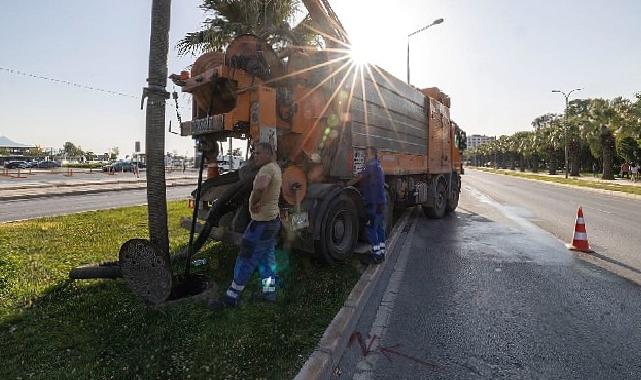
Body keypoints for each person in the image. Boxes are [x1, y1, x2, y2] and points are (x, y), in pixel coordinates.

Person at [216, 142, 282, 308]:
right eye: (253, 152)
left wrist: (253, 204)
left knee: (246, 258)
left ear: (268, 154)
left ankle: (231, 297)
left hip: (261, 225)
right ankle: (270, 293)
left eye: (258, 153)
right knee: (267, 260)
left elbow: (261, 187)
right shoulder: (276, 167)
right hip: (271, 223)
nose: (254, 156)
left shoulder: (266, 169)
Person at [348, 146, 387, 265]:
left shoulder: (371, 166)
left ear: (372, 154)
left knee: (371, 229)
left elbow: (359, 176)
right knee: (379, 228)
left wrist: (346, 184)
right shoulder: (378, 165)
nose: (365, 156)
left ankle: (375, 256)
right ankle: (381, 253)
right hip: (380, 202)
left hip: (373, 204)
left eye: (367, 154)